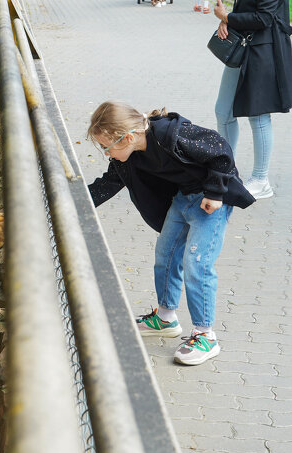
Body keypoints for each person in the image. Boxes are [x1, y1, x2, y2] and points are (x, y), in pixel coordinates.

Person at [87, 101, 254, 365]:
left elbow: (220, 149)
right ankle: (165, 318)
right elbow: (108, 184)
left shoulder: (169, 135)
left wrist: (215, 192)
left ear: (128, 137)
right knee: (165, 255)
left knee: (196, 263)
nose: (106, 154)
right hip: (182, 199)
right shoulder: (128, 158)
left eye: (106, 147)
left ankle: (205, 335)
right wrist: (72, 199)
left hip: (208, 203)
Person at [214, 0, 292, 199]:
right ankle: (225, 169)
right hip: (245, 48)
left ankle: (261, 181)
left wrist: (229, 16)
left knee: (258, 116)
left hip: (264, 51)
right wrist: (228, 19)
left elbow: (264, 17)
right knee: (224, 111)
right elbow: (248, 8)